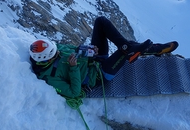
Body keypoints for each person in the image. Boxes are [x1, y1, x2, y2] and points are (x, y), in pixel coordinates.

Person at [29, 16, 177, 98]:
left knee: (101, 22)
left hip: (94, 59)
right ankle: (151, 49)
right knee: (128, 48)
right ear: (47, 59)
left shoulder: (55, 49)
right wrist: (73, 69)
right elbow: (73, 93)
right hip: (100, 75)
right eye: (55, 54)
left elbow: (72, 49)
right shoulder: (50, 77)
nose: (59, 52)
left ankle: (129, 48)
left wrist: (88, 49)